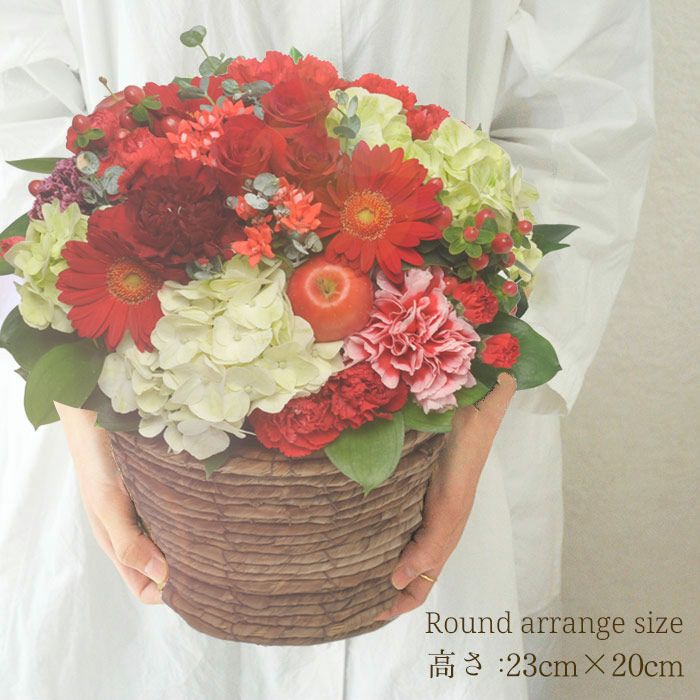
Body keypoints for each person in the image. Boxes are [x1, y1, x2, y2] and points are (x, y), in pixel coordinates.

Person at [0, 1, 655, 698]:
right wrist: (83, 417)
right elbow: (18, 93)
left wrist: (479, 404)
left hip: (440, 423)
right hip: (131, 414)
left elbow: (585, 108)